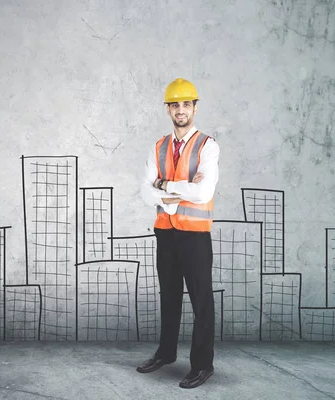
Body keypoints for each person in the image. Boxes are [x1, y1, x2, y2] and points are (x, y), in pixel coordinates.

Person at [137, 78, 220, 389]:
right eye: (175, 104)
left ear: (195, 107)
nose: (181, 110)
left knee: (202, 301)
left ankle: (202, 365)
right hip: (166, 234)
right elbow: (144, 193)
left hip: (195, 235)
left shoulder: (207, 146)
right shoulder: (158, 147)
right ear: (168, 109)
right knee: (168, 296)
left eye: (187, 104)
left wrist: (164, 186)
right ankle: (166, 353)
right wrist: (170, 191)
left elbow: (202, 192)